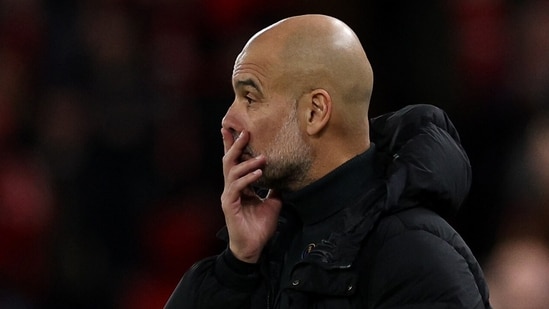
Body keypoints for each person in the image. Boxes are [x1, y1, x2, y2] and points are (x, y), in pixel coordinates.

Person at [165, 14, 491, 308]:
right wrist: (236, 268)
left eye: (250, 97)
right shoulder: (265, 248)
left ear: (315, 112)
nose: (228, 120)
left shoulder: (417, 260)